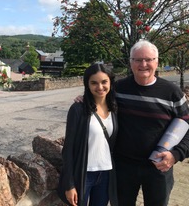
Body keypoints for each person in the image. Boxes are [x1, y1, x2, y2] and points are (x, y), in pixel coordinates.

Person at [75, 39, 189, 206]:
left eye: (149, 59)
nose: (143, 64)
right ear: (131, 63)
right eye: (138, 60)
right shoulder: (118, 89)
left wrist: (176, 155)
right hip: (123, 167)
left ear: (157, 62)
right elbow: (98, 98)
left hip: (159, 168)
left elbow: (187, 128)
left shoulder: (172, 93)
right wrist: (85, 99)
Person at [58, 63, 119, 206]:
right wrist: (69, 184)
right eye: (94, 83)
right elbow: (68, 148)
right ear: (87, 85)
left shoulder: (115, 108)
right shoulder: (78, 109)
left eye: (104, 82)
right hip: (84, 174)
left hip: (106, 173)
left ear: (110, 82)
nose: (100, 87)